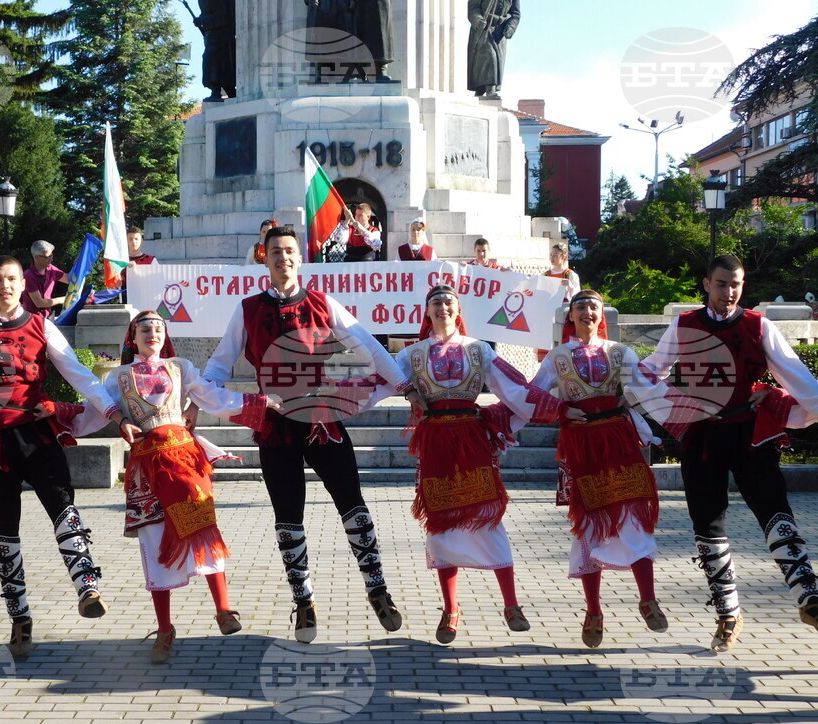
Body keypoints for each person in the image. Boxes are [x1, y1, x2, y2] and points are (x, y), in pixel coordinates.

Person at [203, 225, 426, 642]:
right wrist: (223, 401)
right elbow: (218, 366)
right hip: (276, 426)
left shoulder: (323, 302)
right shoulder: (248, 309)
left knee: (353, 504)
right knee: (288, 516)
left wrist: (404, 386)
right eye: (275, 252)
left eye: (290, 251)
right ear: (264, 259)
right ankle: (303, 602)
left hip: (322, 417)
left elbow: (368, 347)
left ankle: (379, 591)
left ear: (299, 258)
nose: (283, 258)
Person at [0, 256, 139, 658]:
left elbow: (79, 373)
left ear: (22, 284)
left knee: (64, 509)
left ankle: (87, 585)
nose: (4, 286)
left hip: (37, 435)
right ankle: (19, 620)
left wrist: (114, 416)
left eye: (10, 279)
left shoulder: (42, 325)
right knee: (4, 533)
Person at [75, 311, 279, 662]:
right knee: (155, 542)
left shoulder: (179, 366)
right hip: (147, 468)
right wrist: (58, 419)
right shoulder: (119, 377)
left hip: (185, 460)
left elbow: (211, 396)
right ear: (132, 337)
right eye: (144, 329)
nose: (152, 333)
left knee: (203, 525)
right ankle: (165, 629)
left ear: (165, 336)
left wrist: (255, 403)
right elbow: (93, 412)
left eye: (158, 328)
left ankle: (224, 609)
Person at [640, 254, 818, 652]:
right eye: (722, 284)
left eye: (735, 284)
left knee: (775, 510)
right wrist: (672, 408)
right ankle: (728, 612)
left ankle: (809, 597)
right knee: (708, 523)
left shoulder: (758, 325)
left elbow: (798, 377)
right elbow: (648, 373)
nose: (729, 291)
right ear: (706, 284)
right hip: (702, 439)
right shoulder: (684, 326)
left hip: (751, 435)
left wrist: (786, 400)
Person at [396, 285, 569, 643]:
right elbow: (380, 379)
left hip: (472, 441)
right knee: (441, 526)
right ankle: (450, 609)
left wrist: (561, 411)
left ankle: (511, 604)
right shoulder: (410, 355)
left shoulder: (479, 350)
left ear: (457, 310)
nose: (442, 307)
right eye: (436, 303)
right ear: (426, 312)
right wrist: (399, 389)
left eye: (448, 302)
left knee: (487, 518)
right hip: (435, 443)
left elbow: (516, 390)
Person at [532, 290, 671, 648]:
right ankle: (593, 610)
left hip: (619, 441)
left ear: (600, 314)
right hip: (581, 445)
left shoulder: (620, 352)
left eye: (593, 306)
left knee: (633, 515)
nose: (587, 312)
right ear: (571, 317)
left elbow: (648, 385)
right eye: (580, 307)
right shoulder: (557, 357)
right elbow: (532, 393)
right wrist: (561, 410)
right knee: (589, 526)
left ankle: (648, 598)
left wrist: (639, 399)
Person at [537, 242, 587, 362]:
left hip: (564, 313)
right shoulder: (546, 274)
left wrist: (570, 286)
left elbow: (577, 296)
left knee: (562, 339)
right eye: (551, 255)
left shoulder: (570, 275)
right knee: (547, 340)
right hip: (548, 312)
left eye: (555, 255)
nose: (552, 258)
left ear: (563, 256)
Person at [468, 0, 521, 98]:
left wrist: (510, 28)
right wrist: (478, 20)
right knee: (489, 54)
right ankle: (490, 89)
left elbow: (515, 14)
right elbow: (472, 7)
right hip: (483, 28)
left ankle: (481, 90)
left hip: (500, 31)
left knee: (495, 60)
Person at [195, 0, 236, 101]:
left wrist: (203, 21)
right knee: (212, 61)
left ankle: (220, 90)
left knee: (214, 61)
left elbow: (223, 17)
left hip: (222, 38)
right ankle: (221, 90)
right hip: (212, 37)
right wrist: (200, 20)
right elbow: (208, 13)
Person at [21, 240, 69, 318]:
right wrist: (62, 300)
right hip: (32, 319)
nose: (51, 259)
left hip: (48, 316)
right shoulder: (28, 276)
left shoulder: (51, 269)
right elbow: (39, 303)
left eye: (51, 255)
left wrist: (79, 263)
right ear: (36, 257)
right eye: (47, 257)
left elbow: (69, 279)